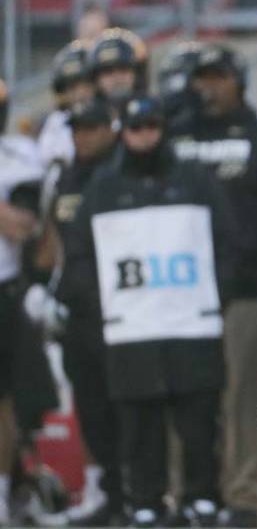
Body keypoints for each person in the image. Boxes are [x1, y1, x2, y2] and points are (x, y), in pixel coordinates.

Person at [59, 95, 236, 528]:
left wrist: (216, 295)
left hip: (190, 323)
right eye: (136, 128)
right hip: (132, 327)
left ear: (163, 128)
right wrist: (105, 303)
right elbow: (78, 257)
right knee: (139, 423)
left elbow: (228, 245)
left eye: (151, 127)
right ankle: (146, 501)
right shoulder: (104, 187)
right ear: (124, 132)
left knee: (198, 422)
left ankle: (202, 497)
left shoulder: (196, 180)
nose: (144, 136)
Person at [168, 44, 257, 528]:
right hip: (178, 291)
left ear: (238, 79)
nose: (207, 85)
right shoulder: (172, 136)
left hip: (245, 290)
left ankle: (247, 498)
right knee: (182, 395)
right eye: (199, 77)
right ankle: (182, 493)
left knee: (244, 398)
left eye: (216, 75)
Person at [33, 98, 123, 527]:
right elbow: (52, 241)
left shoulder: (125, 169)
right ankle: (100, 490)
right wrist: (44, 289)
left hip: (124, 308)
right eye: (76, 130)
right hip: (78, 310)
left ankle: (139, 491)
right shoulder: (65, 176)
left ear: (110, 128)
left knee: (128, 404)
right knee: (89, 405)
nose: (83, 137)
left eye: (91, 128)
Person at [0, 78, 44, 527]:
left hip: (4, 287)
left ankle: (4, 494)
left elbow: (22, 226)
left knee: (5, 400)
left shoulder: (18, 155)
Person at [37, 41, 96, 169]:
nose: (80, 93)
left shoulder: (109, 113)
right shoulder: (57, 120)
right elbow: (47, 157)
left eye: (85, 84)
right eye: (72, 87)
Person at [88, 28, 149, 107]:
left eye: (123, 69)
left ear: (136, 74)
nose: (117, 77)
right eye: (108, 71)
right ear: (96, 80)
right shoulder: (81, 119)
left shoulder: (157, 114)